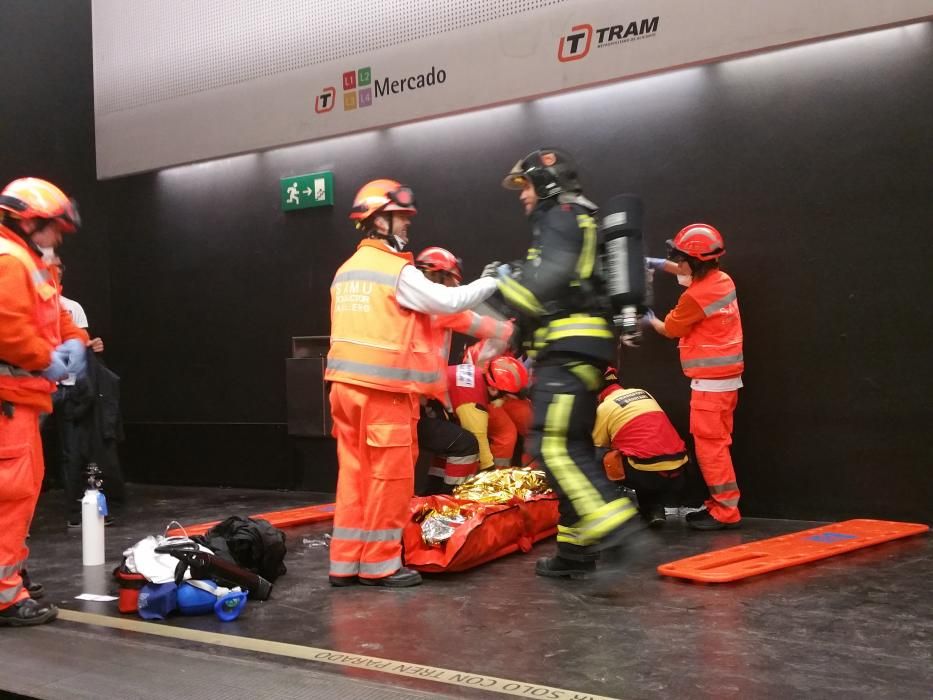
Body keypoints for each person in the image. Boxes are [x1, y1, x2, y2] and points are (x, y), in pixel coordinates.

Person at [325, 179, 499, 588]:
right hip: (384, 394)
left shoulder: (345, 272)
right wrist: (494, 281)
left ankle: (345, 562)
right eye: (400, 219)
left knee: (353, 478)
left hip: (343, 392)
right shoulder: (394, 271)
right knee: (390, 481)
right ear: (379, 221)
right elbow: (449, 302)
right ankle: (380, 565)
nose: (406, 227)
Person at [489, 149, 640, 579]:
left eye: (528, 186)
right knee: (573, 449)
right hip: (581, 349)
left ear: (548, 183)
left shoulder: (561, 218)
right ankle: (574, 553)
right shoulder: (580, 220)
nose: (523, 197)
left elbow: (537, 293)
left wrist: (500, 278)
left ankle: (620, 531)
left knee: (553, 448)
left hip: (567, 350)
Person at [0, 177, 86, 626]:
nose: (58, 239)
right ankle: (4, 597)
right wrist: (45, 358)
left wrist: (77, 341)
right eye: (55, 229)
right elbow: (7, 329)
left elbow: (58, 316)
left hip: (21, 400)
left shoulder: (34, 262)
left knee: (20, 495)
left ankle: (11, 576)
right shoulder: (9, 260)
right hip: (7, 402)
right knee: (10, 497)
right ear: (30, 222)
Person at [645, 223, 744, 530]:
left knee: (710, 448)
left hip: (710, 388)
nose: (677, 262)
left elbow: (670, 329)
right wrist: (659, 265)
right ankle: (720, 504)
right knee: (717, 445)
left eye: (679, 258)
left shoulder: (696, 297)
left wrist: (645, 316)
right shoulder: (722, 280)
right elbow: (689, 272)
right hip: (724, 384)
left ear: (695, 261)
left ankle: (725, 511)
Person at [414, 247, 515, 493]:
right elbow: (477, 322)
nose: (454, 288)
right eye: (452, 280)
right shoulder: (437, 309)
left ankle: (432, 499)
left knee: (450, 447)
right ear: (438, 275)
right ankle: (453, 508)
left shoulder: (415, 303)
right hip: (409, 404)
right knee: (466, 445)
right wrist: (515, 330)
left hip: (418, 402)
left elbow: (462, 306)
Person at [42, 253, 110, 528]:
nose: (53, 271)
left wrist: (91, 345)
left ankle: (75, 511)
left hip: (70, 390)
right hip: (38, 389)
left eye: (57, 267)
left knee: (74, 451)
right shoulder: (28, 305)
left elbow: (83, 344)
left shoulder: (72, 308)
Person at [592, 367, 689, 527]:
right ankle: (654, 510)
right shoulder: (643, 393)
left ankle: (609, 514)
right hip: (679, 471)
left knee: (596, 456)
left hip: (645, 475)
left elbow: (598, 444)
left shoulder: (605, 406)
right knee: (640, 453)